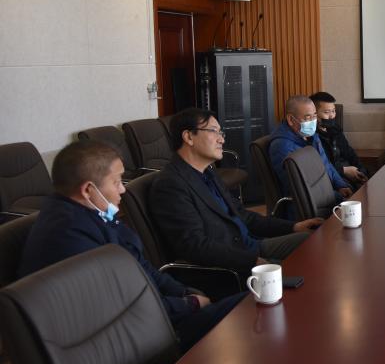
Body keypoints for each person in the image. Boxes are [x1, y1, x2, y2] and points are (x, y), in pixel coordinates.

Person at [18, 140, 244, 351]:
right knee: (244, 310)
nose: (123, 190)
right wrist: (188, 305)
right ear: (88, 190)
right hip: (129, 339)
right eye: (116, 182)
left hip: (149, 313)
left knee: (251, 304)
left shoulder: (93, 213)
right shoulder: (68, 237)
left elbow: (140, 266)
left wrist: (184, 292)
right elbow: (118, 305)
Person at [149, 108, 322, 276]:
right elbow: (195, 246)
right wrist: (251, 261)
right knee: (309, 270)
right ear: (188, 137)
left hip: (250, 246)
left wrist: (294, 227)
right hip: (231, 266)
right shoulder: (170, 185)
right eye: (213, 131)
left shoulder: (208, 172)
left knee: (315, 241)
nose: (221, 140)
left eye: (221, 133)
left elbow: (243, 215)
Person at [269, 95, 353, 217]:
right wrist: (339, 197)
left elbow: (326, 164)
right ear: (291, 119)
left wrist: (341, 185)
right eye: (308, 117)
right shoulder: (282, 146)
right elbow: (301, 187)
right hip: (305, 206)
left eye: (314, 116)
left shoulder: (311, 136)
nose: (313, 121)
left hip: (325, 196)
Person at [309, 91, 368, 187]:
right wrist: (344, 171)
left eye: (333, 111)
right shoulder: (311, 136)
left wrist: (361, 170)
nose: (331, 115)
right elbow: (322, 165)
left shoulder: (335, 129)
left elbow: (349, 152)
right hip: (333, 178)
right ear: (314, 114)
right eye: (326, 112)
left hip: (350, 171)